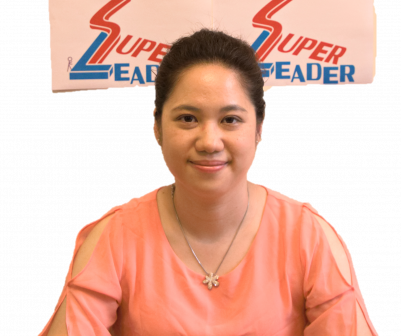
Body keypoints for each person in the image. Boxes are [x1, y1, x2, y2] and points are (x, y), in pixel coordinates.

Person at [39, 29, 379, 335]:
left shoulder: (310, 237)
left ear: (259, 128)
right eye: (188, 118)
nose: (209, 142)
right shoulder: (114, 237)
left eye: (230, 119)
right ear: (157, 127)